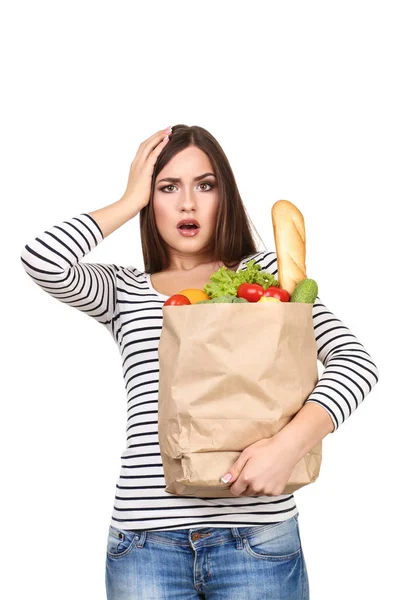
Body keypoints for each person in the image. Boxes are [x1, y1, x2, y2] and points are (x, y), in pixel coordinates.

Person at [20, 124, 379, 599]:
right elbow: (42, 259)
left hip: (257, 538)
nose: (188, 203)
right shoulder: (124, 290)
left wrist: (289, 446)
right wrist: (130, 199)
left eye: (205, 185)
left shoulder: (268, 277)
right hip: (144, 543)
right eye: (168, 187)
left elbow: (355, 361)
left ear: (224, 196)